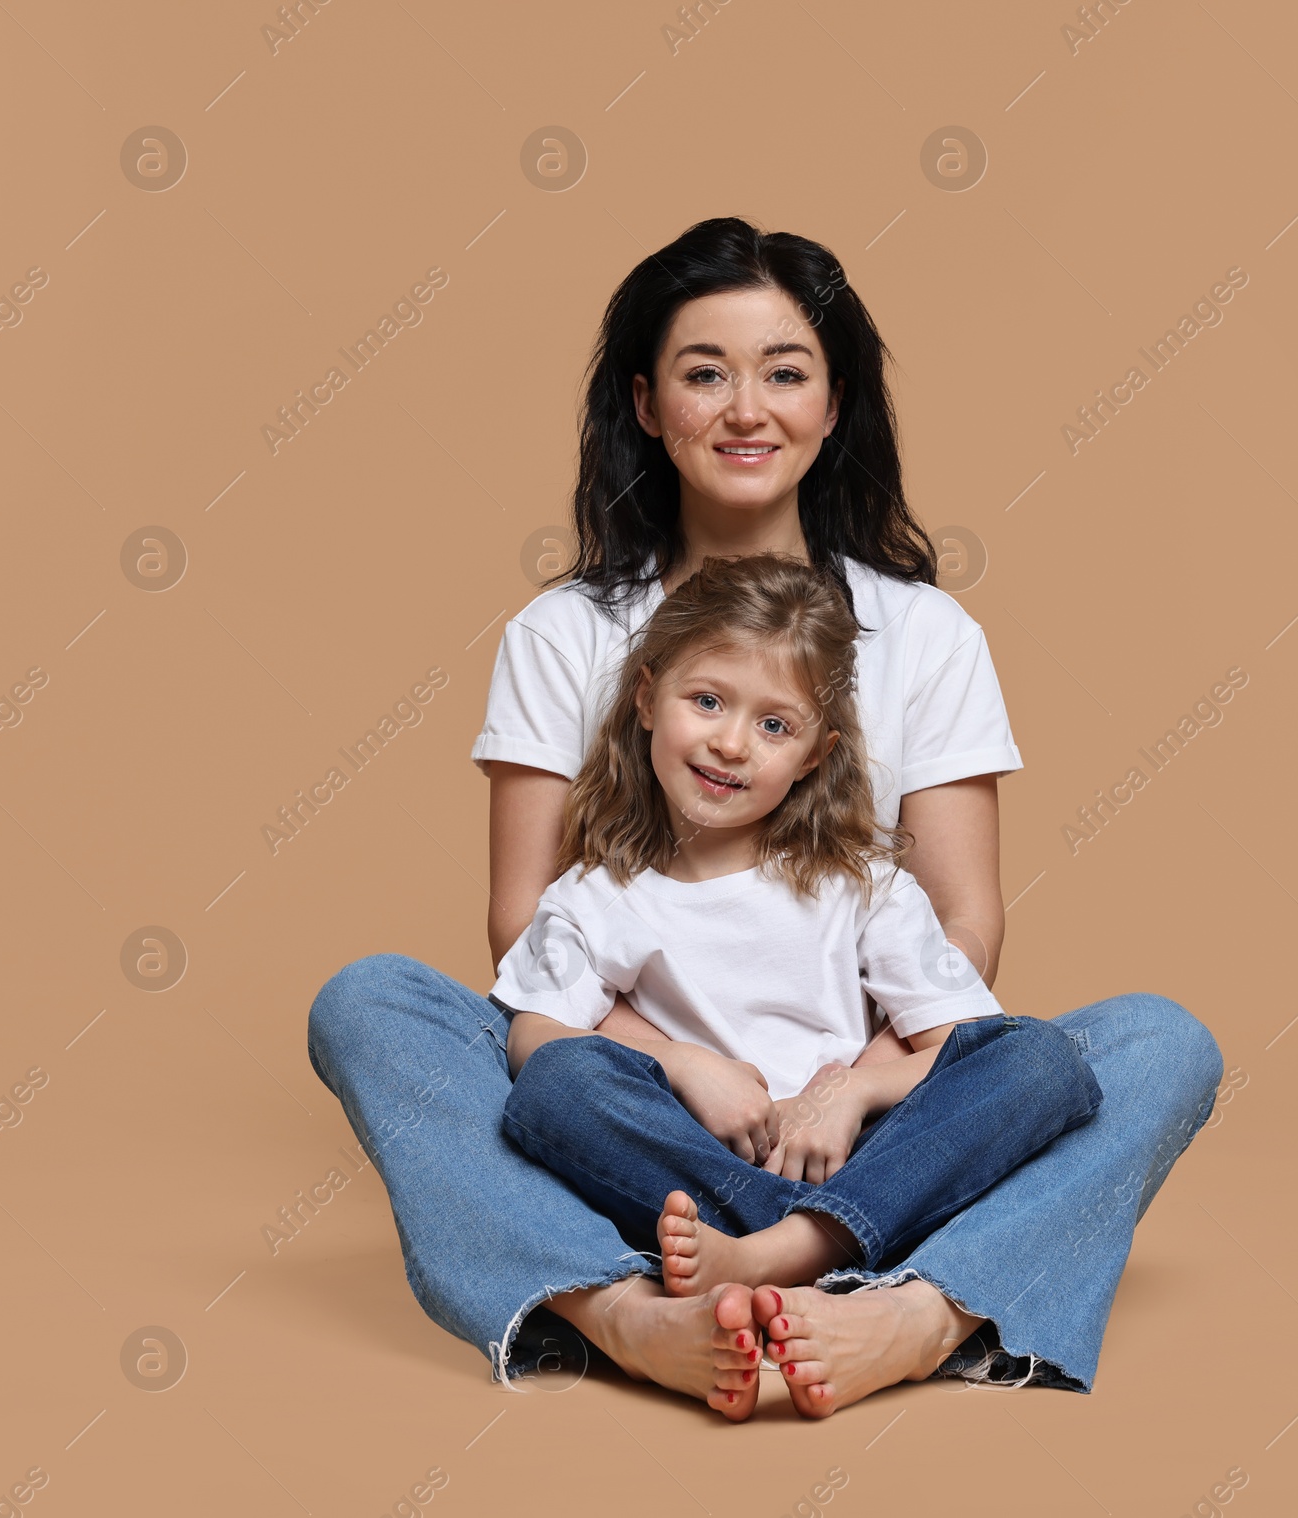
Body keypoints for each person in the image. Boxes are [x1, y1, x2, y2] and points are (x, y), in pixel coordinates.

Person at [307, 215, 1224, 1422]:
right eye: (704, 373)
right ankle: (629, 1311)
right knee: (373, 1005)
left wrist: (841, 1090)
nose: (746, 408)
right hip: (647, 1096)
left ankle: (885, 1307)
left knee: (1152, 1044)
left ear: (835, 405)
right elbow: (524, 933)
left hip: (864, 1090)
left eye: (785, 373)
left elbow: (960, 929)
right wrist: (688, 1070)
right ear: (644, 403)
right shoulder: (564, 635)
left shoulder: (924, 635)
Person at [493, 554, 1105, 1341]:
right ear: (647, 698)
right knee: (557, 1085)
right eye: (707, 701)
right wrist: (683, 1066)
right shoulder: (595, 895)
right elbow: (534, 1037)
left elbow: (961, 1050)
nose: (732, 744)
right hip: (696, 1159)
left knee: (1039, 1058)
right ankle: (831, 1254)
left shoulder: (864, 887)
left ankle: (775, 1255)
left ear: (816, 753)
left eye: (774, 725)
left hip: (863, 1157)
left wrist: (851, 1094)